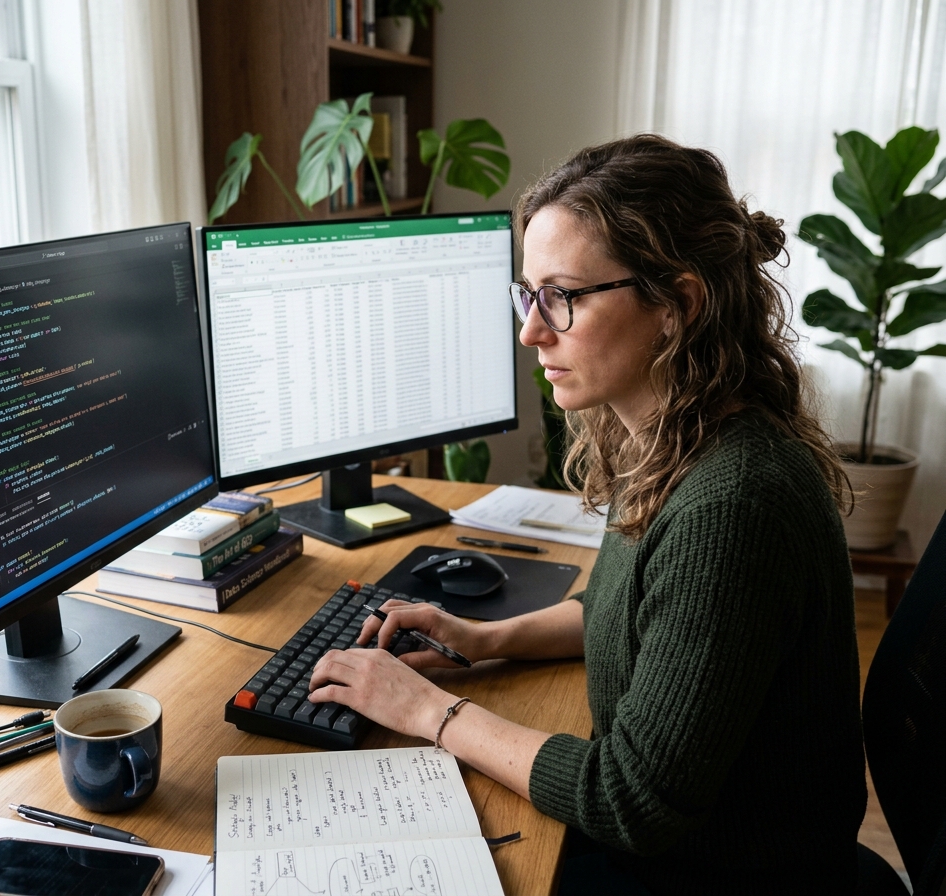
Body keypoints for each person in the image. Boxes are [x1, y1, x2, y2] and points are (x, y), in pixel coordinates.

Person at [308, 134, 866, 895]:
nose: (531, 332)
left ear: (678, 303)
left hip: (720, 873)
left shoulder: (733, 504)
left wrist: (431, 711)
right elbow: (622, 605)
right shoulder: (669, 434)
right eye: (528, 295)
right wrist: (484, 638)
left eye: (562, 297)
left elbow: (632, 800)